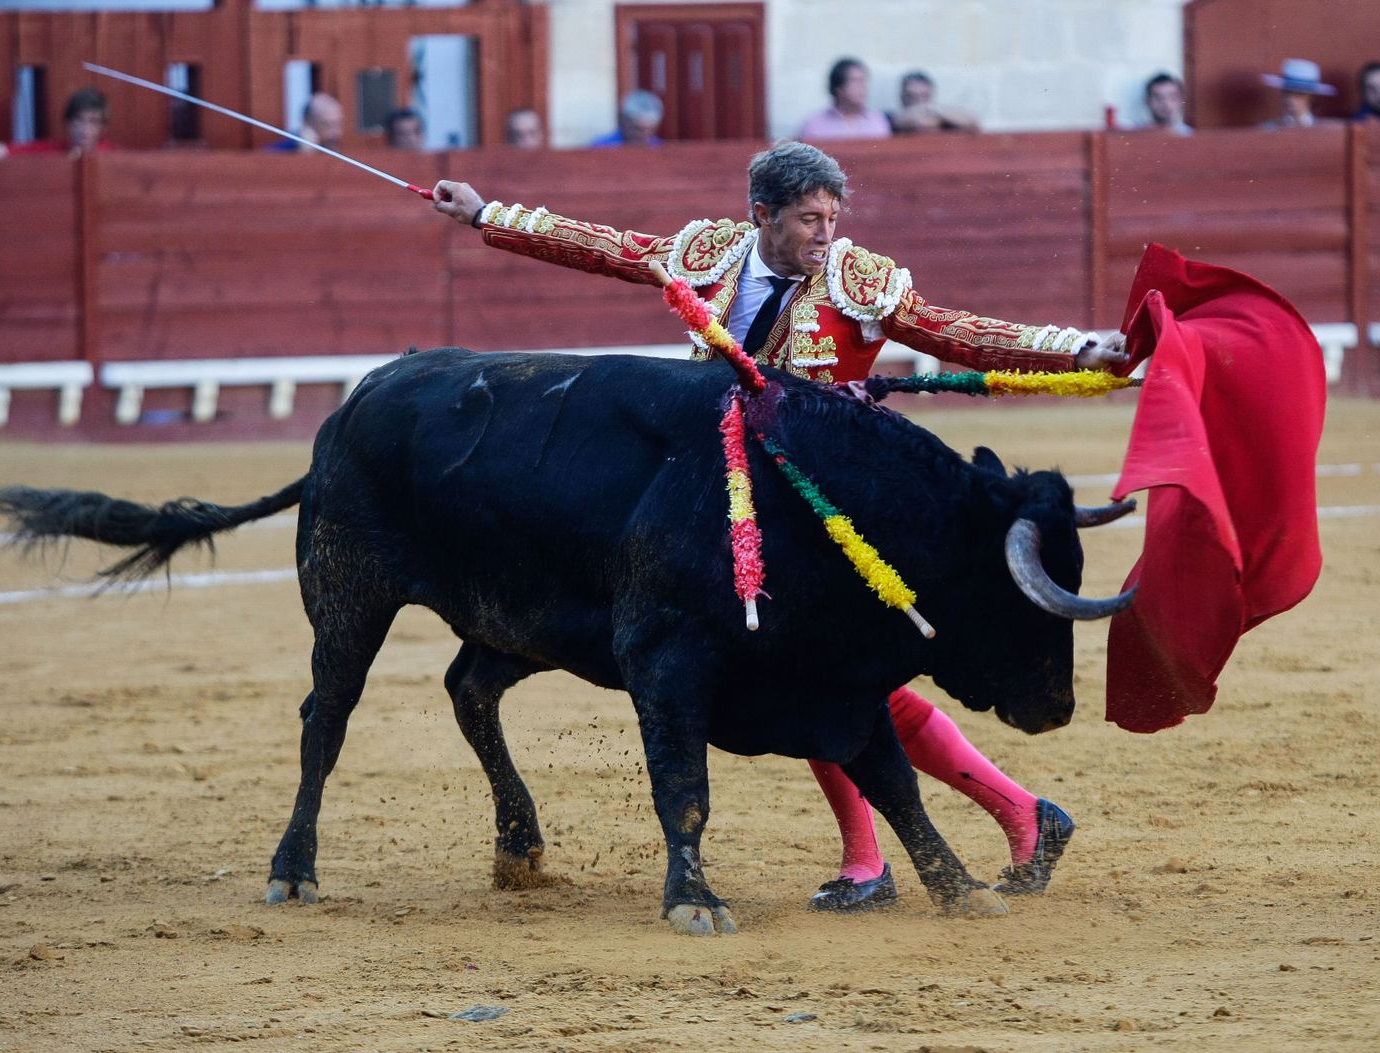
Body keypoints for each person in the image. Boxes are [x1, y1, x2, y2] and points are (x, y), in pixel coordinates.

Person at [429, 140, 1125, 911]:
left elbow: (959, 333)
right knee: (830, 681)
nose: (825, 233)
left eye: (832, 216)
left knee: (829, 678)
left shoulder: (860, 281)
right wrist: (488, 216)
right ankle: (1010, 818)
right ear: (762, 214)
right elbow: (605, 247)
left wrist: (1080, 348)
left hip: (833, 512)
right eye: (808, 218)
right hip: (730, 499)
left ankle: (913, 847)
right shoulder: (710, 255)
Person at [0, 87, 111, 159]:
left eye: (94, 122)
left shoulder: (115, 157)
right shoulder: (50, 150)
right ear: (68, 122)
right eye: (79, 120)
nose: (85, 129)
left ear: (103, 128)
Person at [798, 58, 892, 141]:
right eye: (855, 81)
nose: (863, 87)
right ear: (838, 88)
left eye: (864, 81)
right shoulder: (815, 124)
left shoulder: (878, 120)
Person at [889, 70, 979, 134]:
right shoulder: (892, 118)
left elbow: (972, 122)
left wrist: (933, 110)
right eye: (912, 96)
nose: (919, 101)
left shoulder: (943, 115)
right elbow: (921, 124)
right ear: (902, 97)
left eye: (924, 96)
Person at [1260, 58, 1337, 128]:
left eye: (1299, 94)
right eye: (1287, 93)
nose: (1290, 99)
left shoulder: (1325, 129)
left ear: (1312, 97)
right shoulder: (1270, 128)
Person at [267, 93, 344, 153]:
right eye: (327, 125)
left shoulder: (341, 145)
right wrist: (301, 152)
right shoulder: (293, 143)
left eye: (338, 124)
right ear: (307, 122)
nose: (336, 133)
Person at [590, 91, 664, 148]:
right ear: (625, 122)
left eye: (650, 129)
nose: (644, 135)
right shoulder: (603, 146)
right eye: (638, 129)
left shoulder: (659, 147)